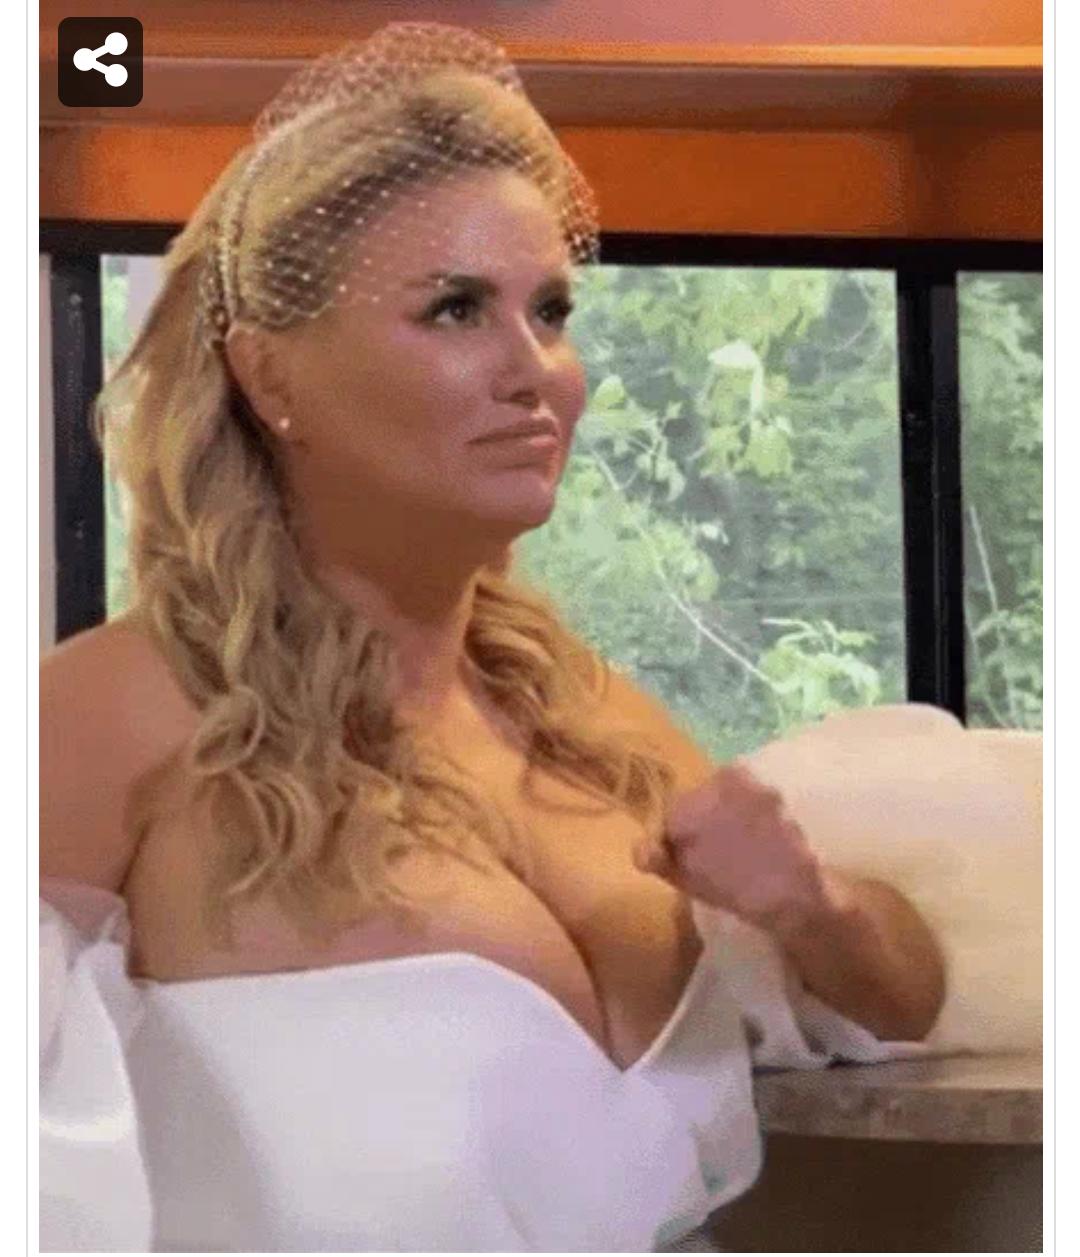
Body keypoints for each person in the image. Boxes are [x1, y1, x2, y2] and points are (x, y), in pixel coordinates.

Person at [39, 22, 961, 1253]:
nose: (538, 373)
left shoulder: (581, 715)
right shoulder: (108, 716)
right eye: (456, 308)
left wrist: (814, 905)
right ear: (270, 378)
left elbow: (904, 1002)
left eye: (552, 310)